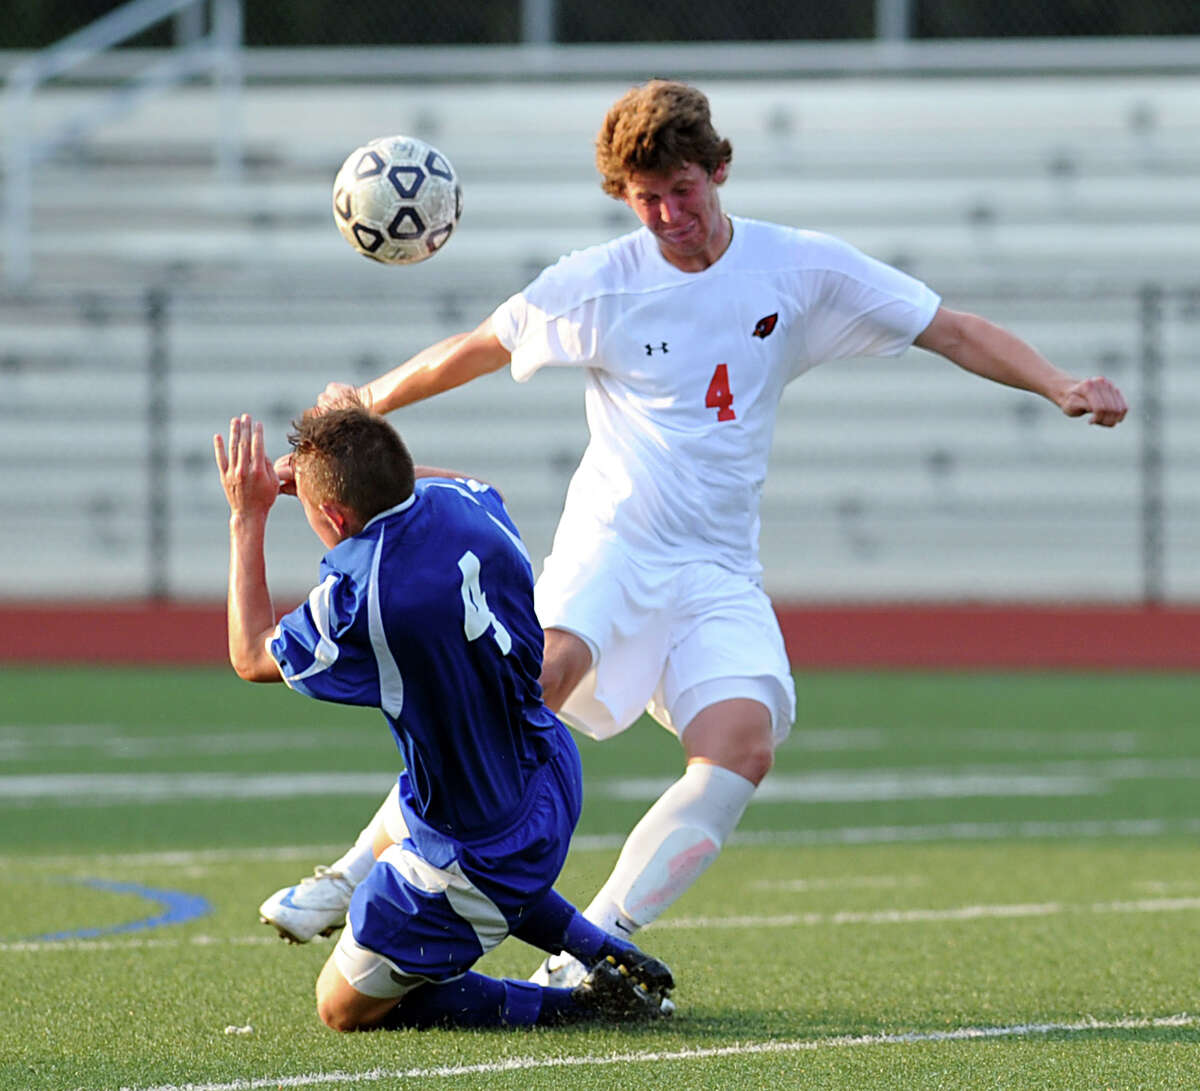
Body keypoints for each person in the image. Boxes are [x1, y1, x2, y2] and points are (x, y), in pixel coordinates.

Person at [257, 79, 1129, 988]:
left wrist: (1058, 382)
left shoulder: (798, 269)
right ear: (623, 200)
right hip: (614, 546)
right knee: (525, 696)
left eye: (683, 190)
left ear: (719, 170)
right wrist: (361, 405)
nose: (670, 215)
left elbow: (951, 329)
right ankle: (350, 872)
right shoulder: (599, 283)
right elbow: (478, 347)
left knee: (741, 747)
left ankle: (590, 946)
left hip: (716, 568)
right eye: (647, 200)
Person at [214, 406, 674, 1029]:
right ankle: (601, 950)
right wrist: (356, 467)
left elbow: (249, 653)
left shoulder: (361, 598)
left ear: (334, 516)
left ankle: (579, 1007)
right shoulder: (467, 502)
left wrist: (249, 514)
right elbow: (455, 482)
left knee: (341, 1007)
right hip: (548, 766)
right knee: (422, 790)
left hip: (480, 850)